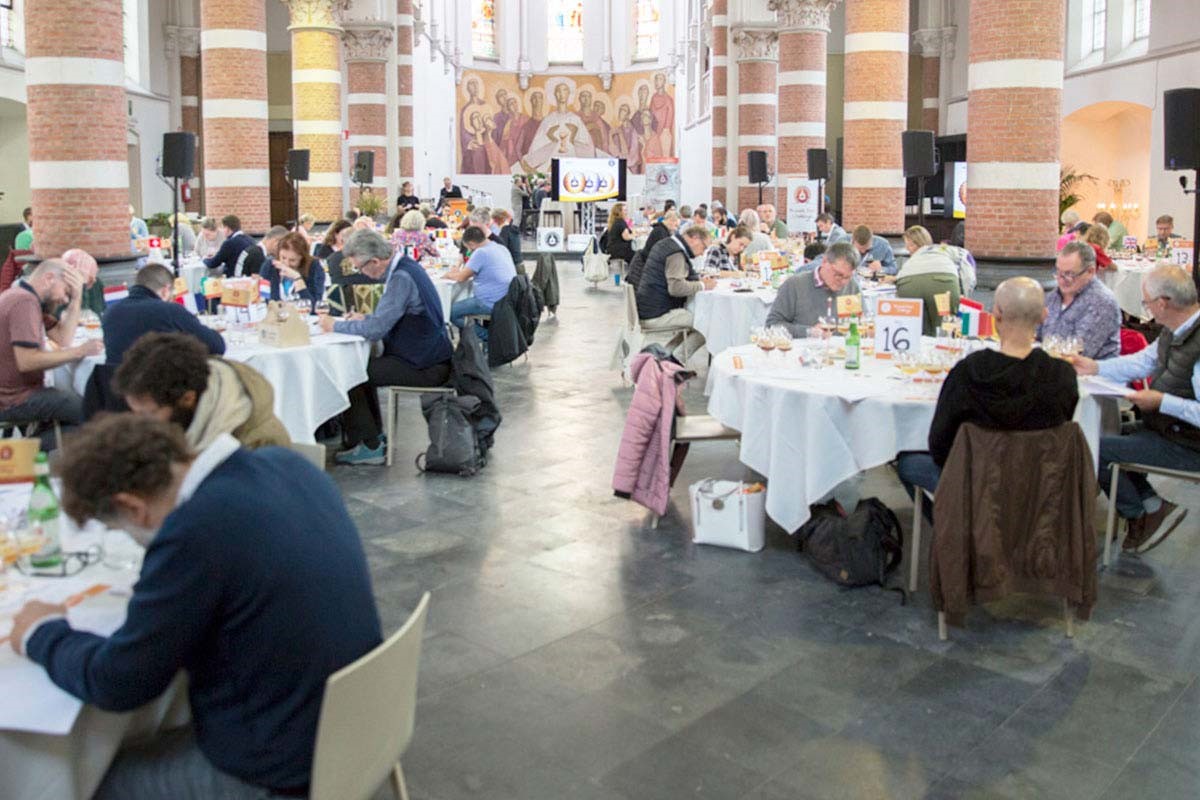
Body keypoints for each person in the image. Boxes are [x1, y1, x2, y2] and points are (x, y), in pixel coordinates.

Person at [10, 414, 380, 798]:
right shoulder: (283, 463)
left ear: (132, 506)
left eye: (121, 528)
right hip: (354, 726)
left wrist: (42, 632)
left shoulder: (195, 532)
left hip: (276, 767)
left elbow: (118, 682)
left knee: (74, 783)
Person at [895, 276, 1079, 506]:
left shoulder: (969, 373)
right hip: (1037, 483)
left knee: (907, 462)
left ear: (996, 313)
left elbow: (939, 444)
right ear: (1043, 316)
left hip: (973, 481)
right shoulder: (1062, 376)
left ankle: (956, 532)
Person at [1069, 264, 1200, 550]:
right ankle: (1153, 508)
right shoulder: (1176, 330)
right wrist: (1094, 367)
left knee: (1094, 447)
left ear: (1163, 303)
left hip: (1189, 442)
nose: (1147, 308)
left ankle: (1138, 513)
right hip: (1172, 429)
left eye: (1148, 303)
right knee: (1113, 433)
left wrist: (1162, 401)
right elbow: (1142, 362)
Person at [317, 230, 453, 465]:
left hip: (425, 365)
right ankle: (371, 438)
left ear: (375, 262)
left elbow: (376, 330)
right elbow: (386, 319)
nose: (361, 273)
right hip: (429, 355)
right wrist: (366, 318)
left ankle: (370, 445)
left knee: (351, 374)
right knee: (361, 369)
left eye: (360, 268)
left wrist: (335, 325)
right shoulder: (407, 267)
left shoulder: (401, 278)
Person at [115, 333, 290, 450]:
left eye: (147, 414)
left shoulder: (254, 446)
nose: (140, 424)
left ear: (187, 399)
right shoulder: (188, 418)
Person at [0, 259, 102, 433]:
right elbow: (26, 361)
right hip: (14, 399)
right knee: (92, 411)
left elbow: (63, 339)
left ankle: (41, 447)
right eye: (65, 291)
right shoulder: (24, 302)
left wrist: (76, 298)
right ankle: (39, 449)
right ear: (48, 278)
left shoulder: (23, 296)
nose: (64, 299)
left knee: (75, 415)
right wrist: (79, 352)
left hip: (15, 394)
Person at [103, 263, 225, 365]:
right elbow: (216, 346)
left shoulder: (110, 312)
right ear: (166, 290)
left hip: (116, 388)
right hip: (159, 388)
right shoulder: (169, 311)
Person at [635, 225, 716, 360]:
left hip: (646, 307)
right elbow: (676, 288)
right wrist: (702, 285)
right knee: (708, 324)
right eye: (704, 247)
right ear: (695, 238)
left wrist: (696, 281)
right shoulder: (676, 254)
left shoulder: (666, 244)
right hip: (656, 314)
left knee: (698, 321)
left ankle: (665, 357)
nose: (703, 253)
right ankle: (674, 362)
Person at [1038, 240, 1121, 360]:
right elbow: (1036, 335)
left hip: (1091, 374)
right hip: (1052, 368)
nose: (1061, 280)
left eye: (1069, 274)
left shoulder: (1102, 302)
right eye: (1058, 272)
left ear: (1090, 272)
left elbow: (1081, 352)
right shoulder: (1053, 297)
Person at [766, 242, 861, 337]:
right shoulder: (795, 285)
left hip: (842, 350)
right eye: (838, 275)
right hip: (802, 349)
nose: (843, 282)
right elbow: (772, 325)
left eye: (848, 277)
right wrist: (808, 332)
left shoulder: (852, 287)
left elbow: (861, 323)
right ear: (824, 262)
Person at [447, 225, 517, 331]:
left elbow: (461, 278)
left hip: (489, 302)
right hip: (507, 300)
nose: (469, 251)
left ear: (471, 244)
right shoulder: (500, 247)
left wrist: (448, 275)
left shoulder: (480, 253)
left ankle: (487, 336)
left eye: (469, 248)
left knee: (451, 312)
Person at [895, 226, 961, 337]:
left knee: (916, 329)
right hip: (943, 281)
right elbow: (966, 265)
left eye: (910, 245)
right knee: (945, 327)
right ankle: (945, 350)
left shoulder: (912, 261)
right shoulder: (944, 249)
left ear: (919, 243)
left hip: (909, 283)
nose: (908, 249)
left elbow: (906, 276)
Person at [262, 232, 325, 311]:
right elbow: (264, 299)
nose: (287, 264)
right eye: (283, 258)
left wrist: (297, 278)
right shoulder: (270, 266)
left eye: (292, 260)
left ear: (302, 258)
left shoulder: (314, 268)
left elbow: (314, 307)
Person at [61, 248, 106, 317]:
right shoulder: (58, 290)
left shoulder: (96, 283)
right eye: (90, 278)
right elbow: (81, 315)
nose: (94, 280)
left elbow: (100, 312)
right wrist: (82, 284)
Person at [605, 203, 635, 276]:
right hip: (619, 251)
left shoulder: (615, 222)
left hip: (612, 249)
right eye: (625, 210)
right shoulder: (621, 222)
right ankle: (634, 274)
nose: (626, 212)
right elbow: (626, 237)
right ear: (619, 212)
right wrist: (635, 235)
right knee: (638, 254)